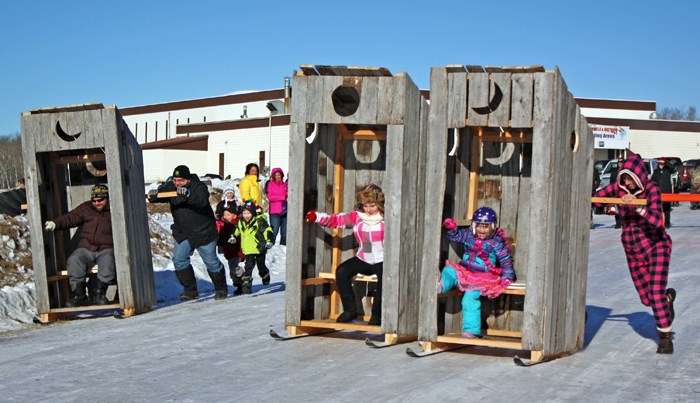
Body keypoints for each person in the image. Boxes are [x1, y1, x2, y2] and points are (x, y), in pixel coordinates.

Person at [594, 154, 675, 354]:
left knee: (655, 292)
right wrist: (607, 204)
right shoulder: (619, 188)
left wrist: (639, 206)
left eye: (629, 179)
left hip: (657, 246)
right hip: (633, 249)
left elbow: (657, 221)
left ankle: (665, 338)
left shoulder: (651, 189)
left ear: (638, 176)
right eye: (623, 179)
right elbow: (597, 200)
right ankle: (666, 301)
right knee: (647, 299)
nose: (626, 183)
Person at [306, 184, 385, 326]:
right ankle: (350, 309)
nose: (368, 209)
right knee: (342, 271)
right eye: (365, 206)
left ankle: (377, 315)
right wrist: (316, 216)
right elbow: (336, 220)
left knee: (384, 279)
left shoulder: (387, 218)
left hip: (382, 259)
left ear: (379, 204)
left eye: (372, 205)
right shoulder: (357, 216)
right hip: (364, 258)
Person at [148, 165, 228, 300]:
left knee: (211, 261)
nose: (177, 183)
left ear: (188, 179)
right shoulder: (172, 187)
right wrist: (154, 195)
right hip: (183, 232)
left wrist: (189, 195)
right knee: (179, 260)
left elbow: (201, 201)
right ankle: (190, 290)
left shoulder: (199, 187)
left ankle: (221, 288)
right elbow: (161, 194)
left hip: (204, 231)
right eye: (175, 180)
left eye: (180, 180)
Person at [439, 207, 516, 338]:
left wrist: (507, 277)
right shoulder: (469, 235)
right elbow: (457, 236)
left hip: (482, 277)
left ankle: (471, 330)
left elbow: (505, 260)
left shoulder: (496, 242)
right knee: (450, 270)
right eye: (479, 226)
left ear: (492, 227)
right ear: (474, 225)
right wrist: (451, 228)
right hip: (466, 272)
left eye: (486, 227)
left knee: (469, 299)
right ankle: (441, 284)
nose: (481, 230)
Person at [43, 184, 115, 307]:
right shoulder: (86, 208)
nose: (96, 203)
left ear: (107, 198)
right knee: (74, 259)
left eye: (100, 200)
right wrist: (54, 224)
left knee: (108, 259)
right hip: (86, 247)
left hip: (105, 247)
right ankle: (79, 295)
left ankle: (100, 293)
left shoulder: (113, 209)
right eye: (94, 200)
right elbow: (71, 217)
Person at [231, 200, 273, 294]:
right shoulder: (241, 222)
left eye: (248, 213)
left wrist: (269, 240)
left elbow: (267, 230)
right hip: (248, 248)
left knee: (260, 265)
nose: (246, 215)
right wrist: (233, 236)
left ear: (253, 212)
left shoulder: (259, 221)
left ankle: (265, 274)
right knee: (248, 266)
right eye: (244, 213)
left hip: (260, 247)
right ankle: (246, 285)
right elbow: (236, 230)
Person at [216, 203, 245, 288]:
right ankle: (238, 283)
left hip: (237, 252)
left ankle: (244, 278)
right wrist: (219, 242)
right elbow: (222, 238)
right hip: (229, 253)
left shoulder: (237, 225)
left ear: (235, 215)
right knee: (232, 271)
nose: (225, 216)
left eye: (228, 214)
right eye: (224, 214)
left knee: (234, 268)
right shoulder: (224, 225)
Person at [265, 167, 288, 246]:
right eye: (276, 175)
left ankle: (283, 249)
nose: (278, 176)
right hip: (275, 212)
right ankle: (271, 247)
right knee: (274, 232)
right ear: (273, 176)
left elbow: (288, 195)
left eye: (279, 175)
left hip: (285, 211)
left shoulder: (285, 185)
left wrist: (284, 196)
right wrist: (283, 197)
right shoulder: (270, 184)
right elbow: (270, 197)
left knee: (284, 233)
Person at [650, 158, 673, 228]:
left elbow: (672, 167)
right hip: (658, 193)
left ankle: (667, 223)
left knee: (667, 210)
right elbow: (652, 181)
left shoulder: (668, 171)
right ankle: (658, 223)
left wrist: (666, 162)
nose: (661, 165)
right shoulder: (656, 172)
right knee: (657, 210)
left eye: (662, 163)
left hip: (667, 192)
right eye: (660, 163)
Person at [608, 156, 624, 228]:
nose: (620, 164)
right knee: (616, 208)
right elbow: (611, 182)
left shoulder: (625, 171)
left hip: (623, 192)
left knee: (623, 208)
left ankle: (623, 222)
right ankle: (618, 223)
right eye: (619, 162)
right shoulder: (614, 172)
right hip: (615, 192)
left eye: (621, 162)